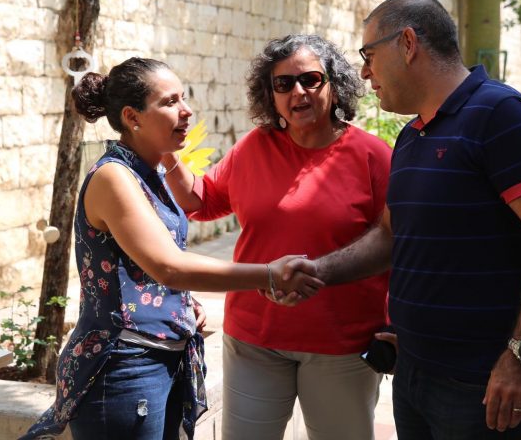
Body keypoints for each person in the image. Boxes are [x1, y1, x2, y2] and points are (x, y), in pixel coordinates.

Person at [285, 0, 521, 439]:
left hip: (487, 383)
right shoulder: (413, 135)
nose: (364, 73)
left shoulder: (504, 116)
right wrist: (317, 271)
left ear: (407, 43)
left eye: (369, 56)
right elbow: (391, 236)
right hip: (416, 373)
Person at [20, 57, 324, 440]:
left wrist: (177, 304)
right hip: (123, 367)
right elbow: (169, 266)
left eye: (183, 97)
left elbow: (147, 265)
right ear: (132, 117)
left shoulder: (150, 172)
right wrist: (268, 274)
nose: (187, 110)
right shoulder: (114, 177)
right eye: (170, 102)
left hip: (158, 361)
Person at [161, 34, 392, 440]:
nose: (297, 92)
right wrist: (164, 148)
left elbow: (397, 242)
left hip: (342, 343)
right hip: (255, 339)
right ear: (270, 95)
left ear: (334, 84)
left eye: (310, 79)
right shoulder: (254, 148)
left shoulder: (373, 155)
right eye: (283, 84)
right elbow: (202, 200)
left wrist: (397, 323)